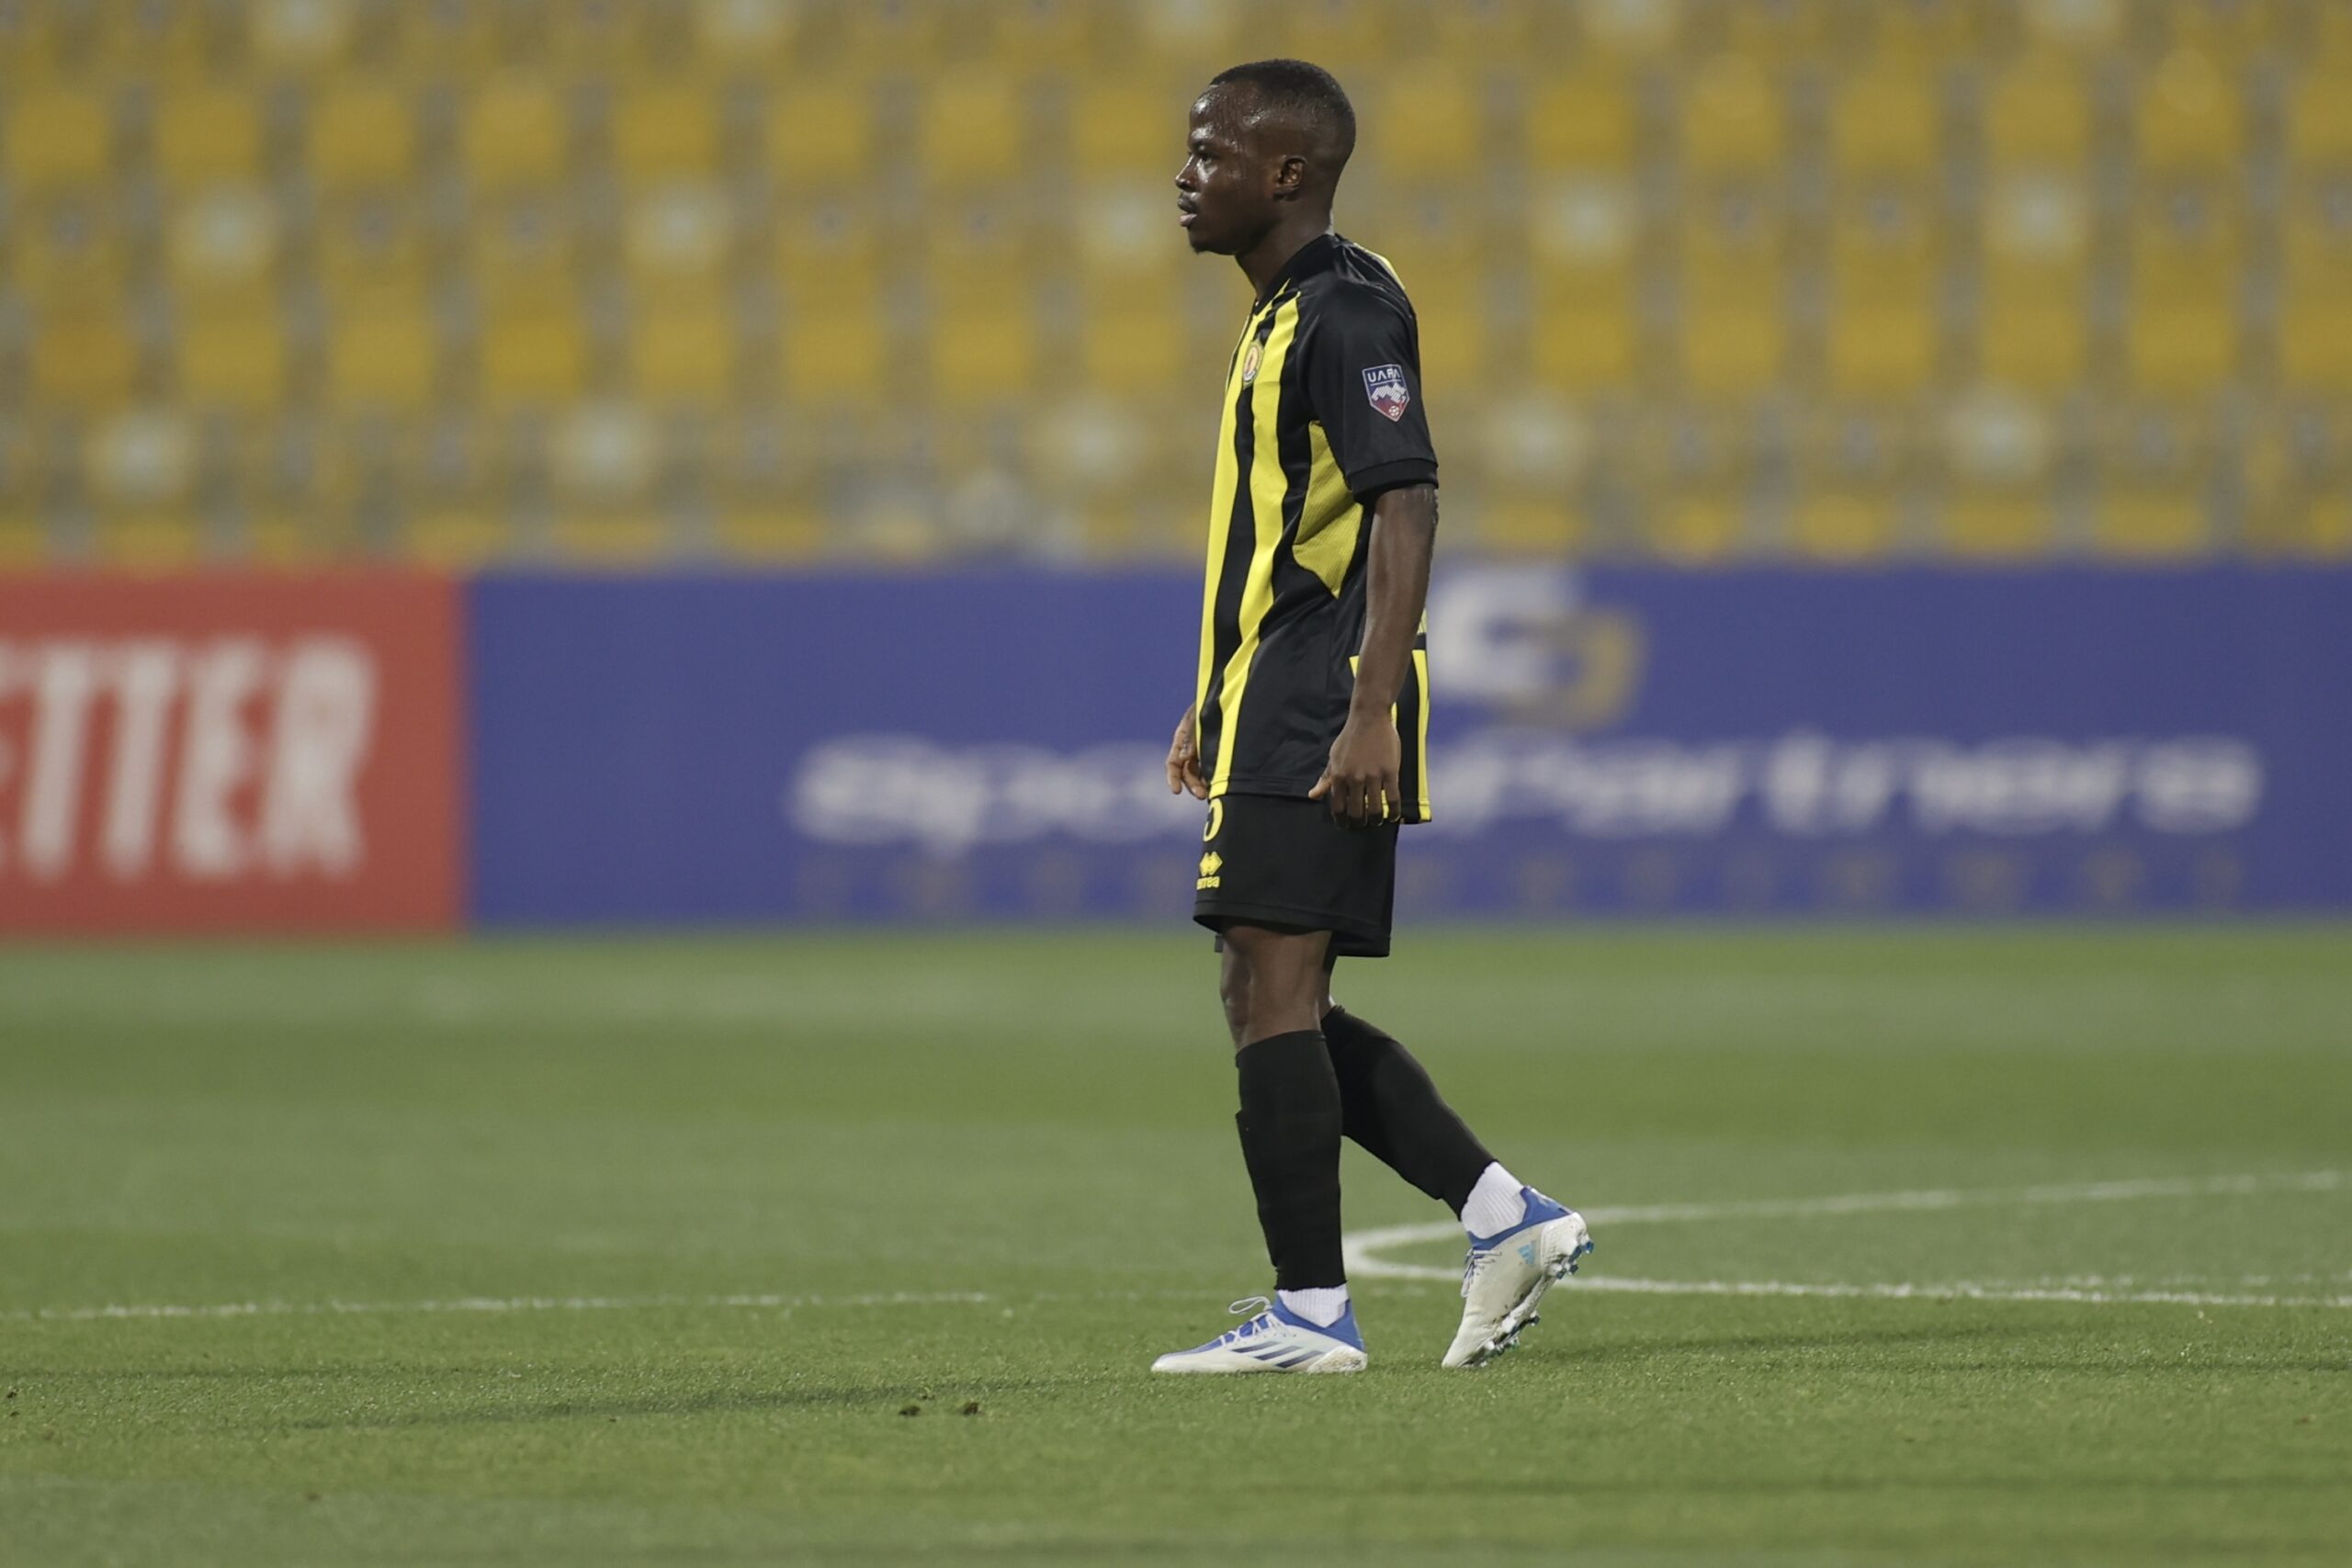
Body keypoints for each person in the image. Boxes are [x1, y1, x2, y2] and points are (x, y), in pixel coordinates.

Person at [1152, 60, 1591, 1375]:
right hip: (1270, 688)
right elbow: (1292, 526)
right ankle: (1503, 1216)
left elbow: (1408, 502)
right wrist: (1213, 697)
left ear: (1285, 173)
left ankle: (1311, 1312)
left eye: (1212, 154)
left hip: (1322, 692)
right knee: (1262, 984)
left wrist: (1369, 710)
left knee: (1275, 983)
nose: (1186, 176)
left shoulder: (1340, 312)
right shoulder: (1292, 307)